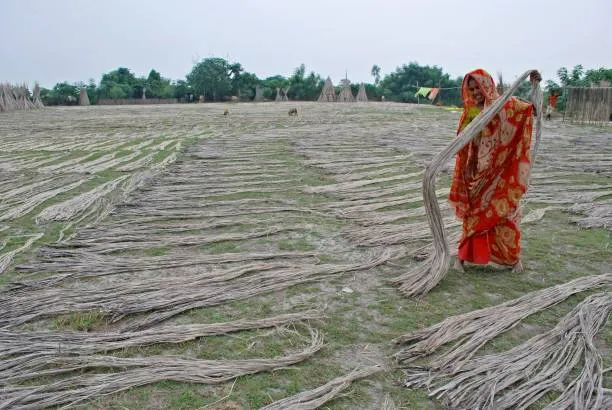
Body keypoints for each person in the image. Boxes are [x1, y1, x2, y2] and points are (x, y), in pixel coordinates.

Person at [449, 68, 541, 274]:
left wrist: (535, 85)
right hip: (477, 174)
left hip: (501, 173)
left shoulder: (505, 105)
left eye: (479, 87)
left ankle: (513, 260)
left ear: (488, 85)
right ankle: (462, 258)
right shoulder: (471, 112)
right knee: (473, 217)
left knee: (505, 216)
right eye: (471, 89)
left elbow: (530, 111)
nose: (476, 92)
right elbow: (461, 141)